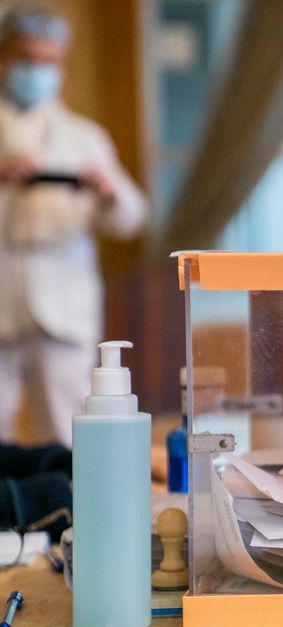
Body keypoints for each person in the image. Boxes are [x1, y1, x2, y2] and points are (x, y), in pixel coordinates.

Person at [0, 5, 147, 448]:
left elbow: (132, 217)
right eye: (27, 58)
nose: (38, 70)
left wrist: (107, 189)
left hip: (63, 303)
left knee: (66, 433)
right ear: (4, 59)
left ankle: (65, 511)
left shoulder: (85, 138)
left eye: (49, 61)